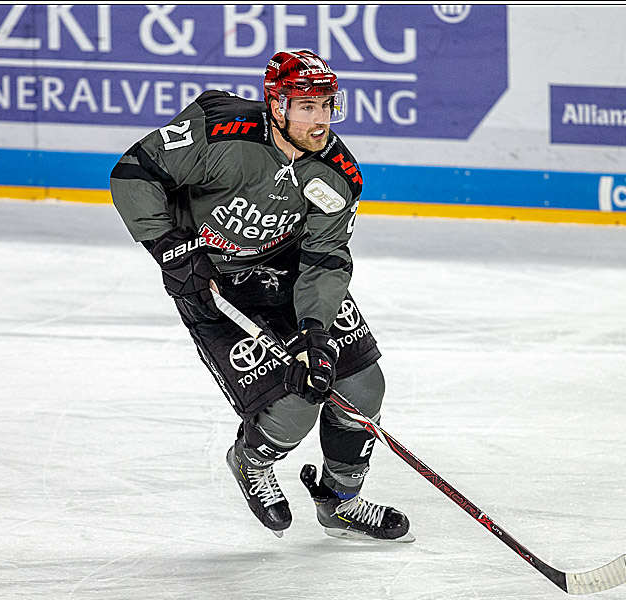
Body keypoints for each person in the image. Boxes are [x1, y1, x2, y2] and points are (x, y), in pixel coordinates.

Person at [110, 49, 412, 542]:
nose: (320, 120)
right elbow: (134, 174)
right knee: (295, 405)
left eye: (326, 105)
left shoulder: (337, 175)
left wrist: (313, 332)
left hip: (287, 272)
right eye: (306, 107)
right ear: (276, 105)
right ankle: (250, 460)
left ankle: (340, 501)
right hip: (210, 280)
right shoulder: (220, 132)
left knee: (362, 386)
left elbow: (326, 258)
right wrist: (169, 248)